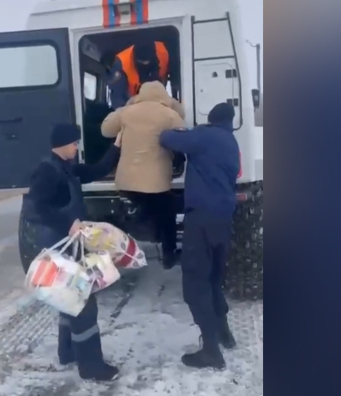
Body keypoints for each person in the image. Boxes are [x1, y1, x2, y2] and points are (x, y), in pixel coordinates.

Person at [20, 123, 122, 381]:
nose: (77, 147)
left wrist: (117, 146)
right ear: (62, 144)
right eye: (74, 143)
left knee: (67, 298)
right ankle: (91, 367)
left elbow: (98, 170)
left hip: (70, 246)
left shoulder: (68, 167)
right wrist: (68, 223)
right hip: (57, 248)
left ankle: (67, 352)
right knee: (82, 303)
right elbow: (36, 208)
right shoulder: (46, 171)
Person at [159, 103, 240, 370]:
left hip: (201, 218)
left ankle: (211, 351)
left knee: (195, 283)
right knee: (213, 278)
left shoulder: (205, 136)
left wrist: (182, 130)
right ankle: (224, 333)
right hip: (223, 218)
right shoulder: (230, 141)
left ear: (211, 119)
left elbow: (166, 138)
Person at [100, 81, 185, 269]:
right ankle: (169, 254)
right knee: (167, 214)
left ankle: (120, 248)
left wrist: (129, 104)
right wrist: (172, 103)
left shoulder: (126, 112)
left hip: (127, 181)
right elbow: (182, 129)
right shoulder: (169, 114)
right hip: (157, 183)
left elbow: (105, 130)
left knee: (135, 210)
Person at [106, 41, 180, 109]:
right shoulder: (121, 64)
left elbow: (176, 80)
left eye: (148, 63)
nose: (145, 65)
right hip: (133, 105)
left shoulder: (164, 52)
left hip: (160, 101)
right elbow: (117, 98)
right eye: (141, 63)